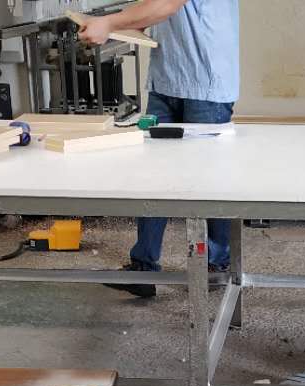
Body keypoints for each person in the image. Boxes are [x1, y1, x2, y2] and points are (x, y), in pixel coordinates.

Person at [78, 0, 239, 298]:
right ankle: (143, 268)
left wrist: (110, 23)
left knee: (209, 182)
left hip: (206, 84)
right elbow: (155, 6)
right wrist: (128, 25)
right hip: (166, 80)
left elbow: (167, 4)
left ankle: (217, 265)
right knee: (153, 177)